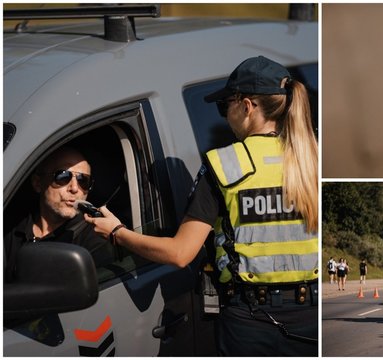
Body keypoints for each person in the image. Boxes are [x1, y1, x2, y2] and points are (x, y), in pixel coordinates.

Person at [85, 56, 319, 356]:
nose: (225, 115)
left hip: (249, 321)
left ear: (247, 106)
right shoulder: (313, 160)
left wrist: (117, 232)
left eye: (226, 105)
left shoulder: (225, 166)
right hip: (310, 317)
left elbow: (180, 253)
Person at [4, 146, 114, 282]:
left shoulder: (94, 241)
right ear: (38, 183)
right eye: (63, 176)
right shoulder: (10, 227)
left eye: (83, 180)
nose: (74, 188)